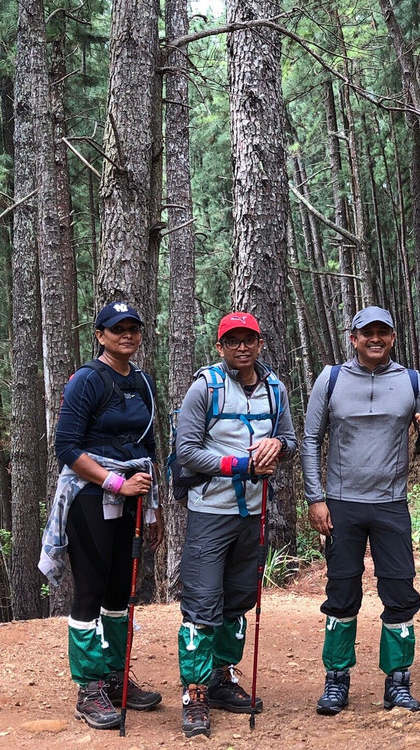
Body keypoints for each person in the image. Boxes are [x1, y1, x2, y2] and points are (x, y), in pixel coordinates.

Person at [303, 305, 420, 715]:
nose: (375, 339)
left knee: (400, 591)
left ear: (393, 337)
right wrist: (315, 498)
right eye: (367, 333)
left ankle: (398, 682)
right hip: (341, 504)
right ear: (354, 338)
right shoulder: (330, 379)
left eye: (383, 332)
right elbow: (311, 439)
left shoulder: (411, 380)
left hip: (391, 503)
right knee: (341, 592)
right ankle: (336, 680)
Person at [39, 302, 163, 730]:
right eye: (117, 329)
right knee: (91, 588)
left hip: (134, 493)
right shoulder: (87, 380)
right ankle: (88, 687)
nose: (127, 335)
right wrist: (115, 484)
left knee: (119, 591)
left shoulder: (143, 381)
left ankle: (114, 676)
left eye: (133, 328)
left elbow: (148, 446)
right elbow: (67, 448)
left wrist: (153, 508)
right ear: (100, 336)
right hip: (91, 495)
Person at [173, 311, 298, 737]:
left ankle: (221, 678)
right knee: (202, 602)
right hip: (210, 511)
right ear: (220, 346)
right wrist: (241, 465)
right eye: (233, 340)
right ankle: (194, 692)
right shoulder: (204, 387)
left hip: (254, 513)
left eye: (249, 340)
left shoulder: (275, 388)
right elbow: (187, 452)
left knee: (239, 599)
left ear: (260, 343)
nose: (242, 347)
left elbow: (290, 440)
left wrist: (277, 445)